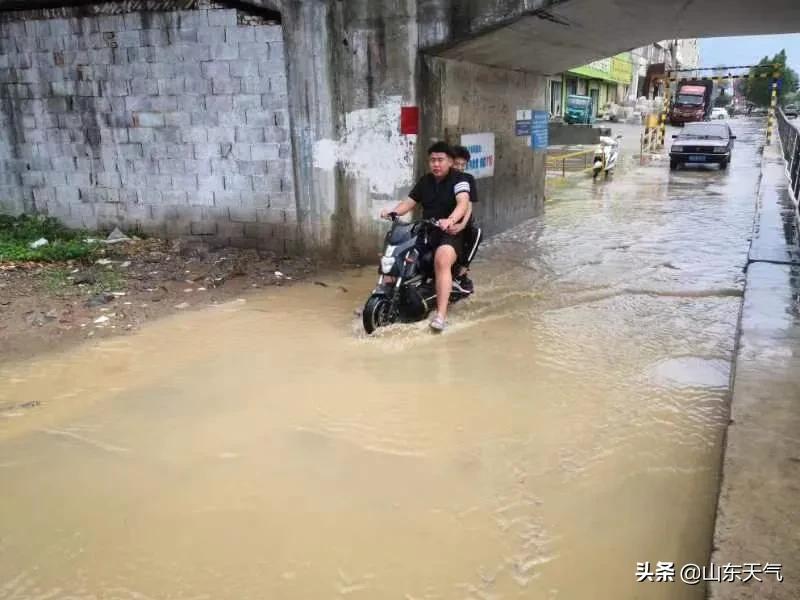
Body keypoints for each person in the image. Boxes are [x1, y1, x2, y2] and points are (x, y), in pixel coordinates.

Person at [380, 141, 471, 332]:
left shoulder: (460, 180)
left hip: (450, 233)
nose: (436, 164)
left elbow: (462, 203)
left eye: (440, 160)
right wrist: (393, 213)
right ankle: (382, 296)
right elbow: (409, 202)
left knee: (442, 258)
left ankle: (441, 315)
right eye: (432, 160)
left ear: (450, 161)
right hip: (426, 230)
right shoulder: (425, 181)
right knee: (395, 249)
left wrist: (451, 220)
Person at [449, 145, 482, 294]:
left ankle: (462, 271)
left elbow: (468, 205)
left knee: (476, 233)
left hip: (462, 221)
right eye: (457, 164)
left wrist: (462, 224)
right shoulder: (441, 179)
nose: (460, 168)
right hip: (444, 221)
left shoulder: (468, 179)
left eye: (463, 165)